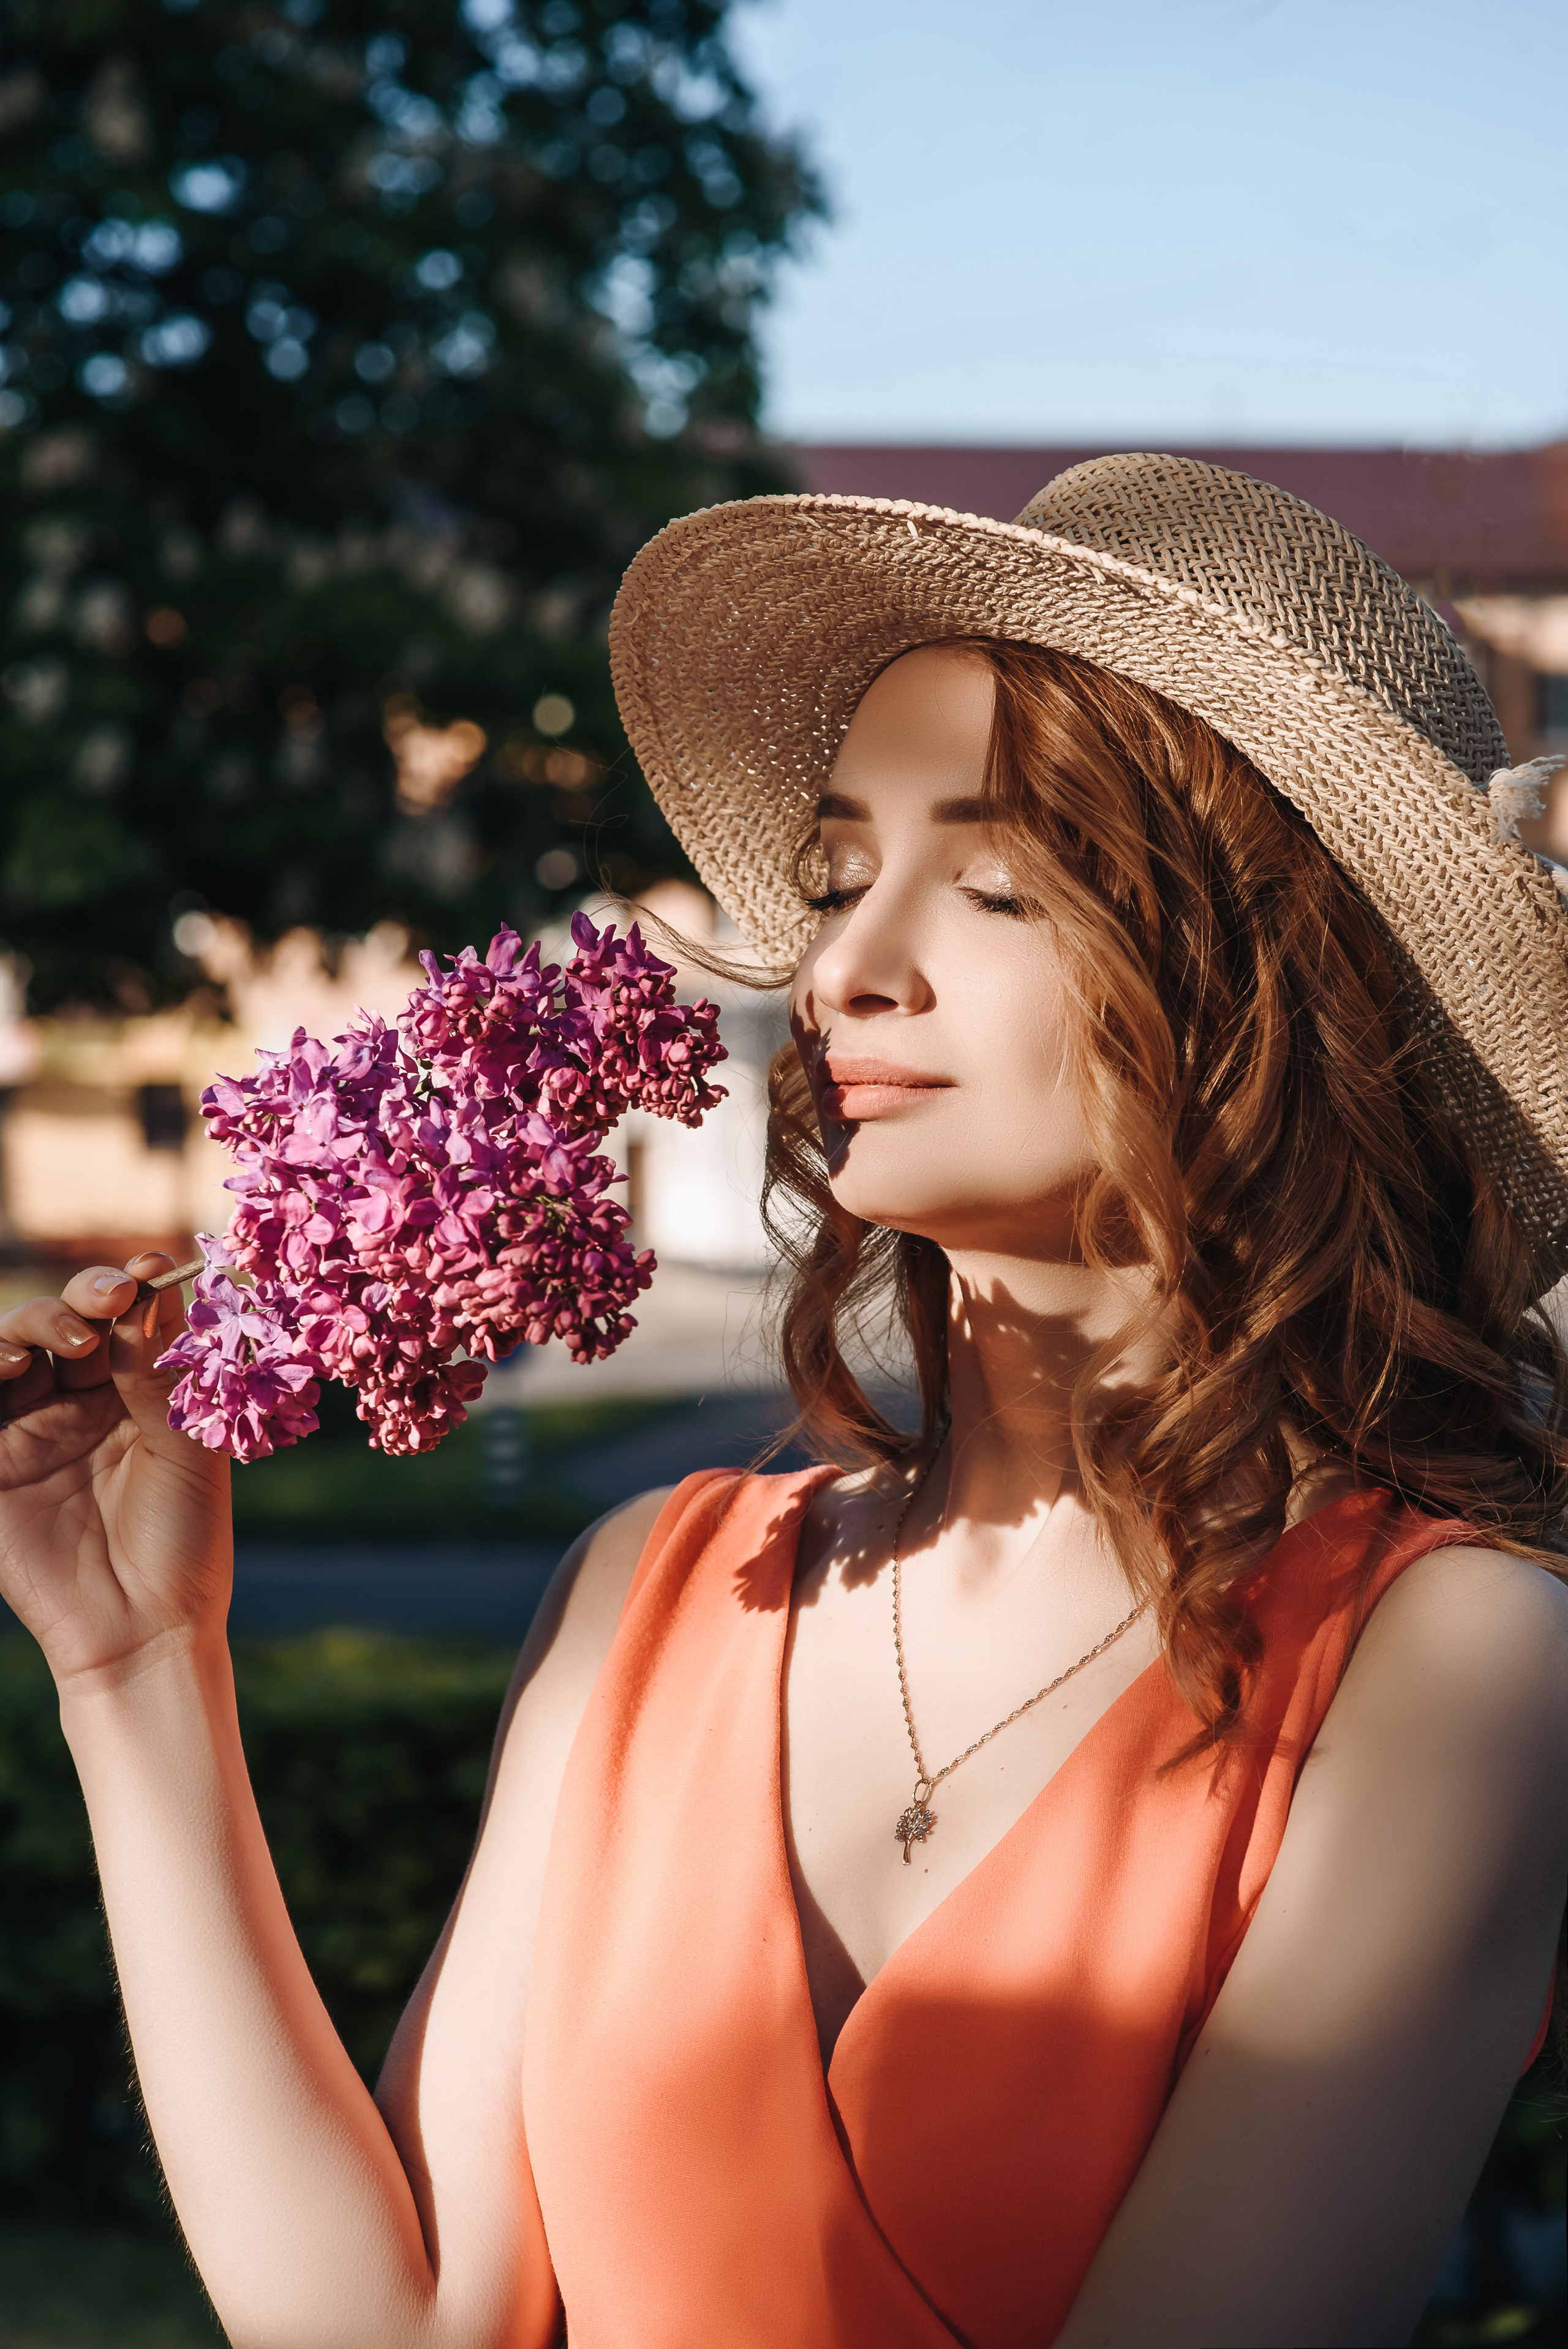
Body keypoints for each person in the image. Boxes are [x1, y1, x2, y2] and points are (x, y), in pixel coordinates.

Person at [1, 453, 1566, 2349]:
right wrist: (134, 1667)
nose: (843, 965)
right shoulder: (646, 1595)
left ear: (1267, 993)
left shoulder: (1455, 1661)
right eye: (836, 876)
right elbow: (399, 2325)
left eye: (992, 882)